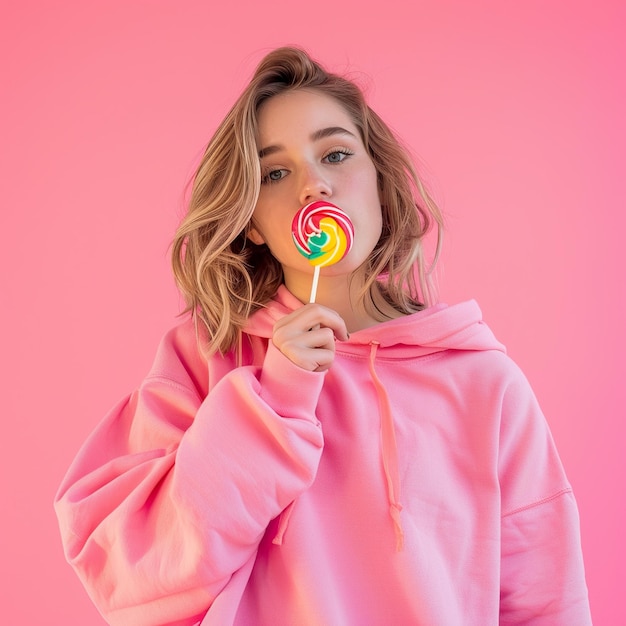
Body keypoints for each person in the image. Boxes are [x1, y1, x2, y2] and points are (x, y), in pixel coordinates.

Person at [54, 46, 592, 625]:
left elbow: (544, 601)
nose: (314, 185)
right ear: (252, 221)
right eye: (276, 172)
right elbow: (136, 576)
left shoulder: (484, 383)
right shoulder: (205, 357)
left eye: (335, 154)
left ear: (382, 185)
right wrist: (272, 402)